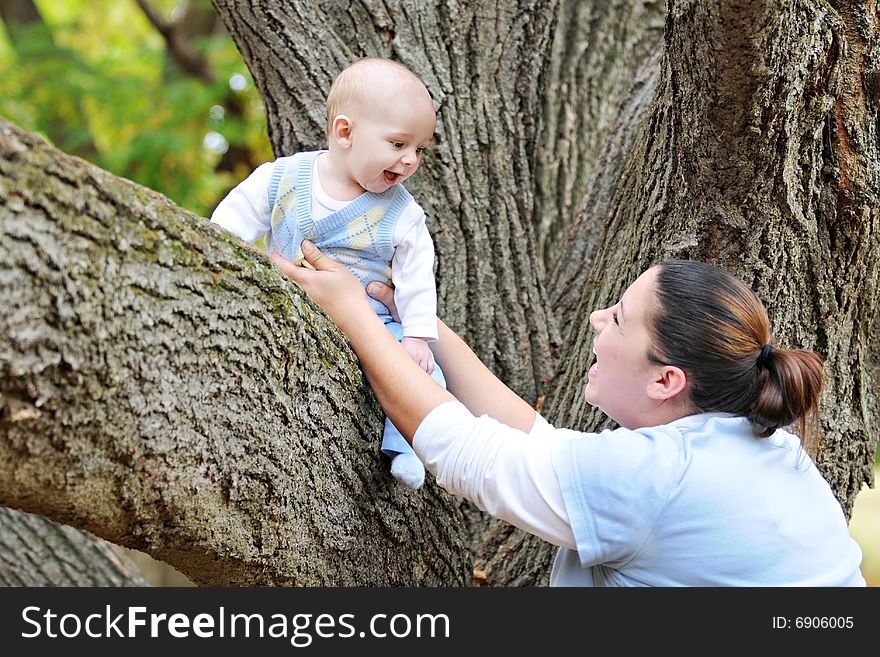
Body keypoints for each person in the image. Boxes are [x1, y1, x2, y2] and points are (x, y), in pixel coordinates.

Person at [272, 241, 866, 586]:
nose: (596, 319)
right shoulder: (757, 449)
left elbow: (462, 453)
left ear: (667, 380)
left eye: (620, 318)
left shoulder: (659, 478)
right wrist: (421, 326)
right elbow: (542, 450)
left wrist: (353, 317)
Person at [211, 57, 444, 489]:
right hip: (284, 306)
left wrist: (415, 336)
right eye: (398, 144)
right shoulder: (281, 178)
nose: (410, 160)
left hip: (372, 323)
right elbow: (230, 224)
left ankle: (403, 447)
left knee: (428, 374)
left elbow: (416, 277)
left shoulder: (402, 214)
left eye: (419, 149)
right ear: (344, 132)